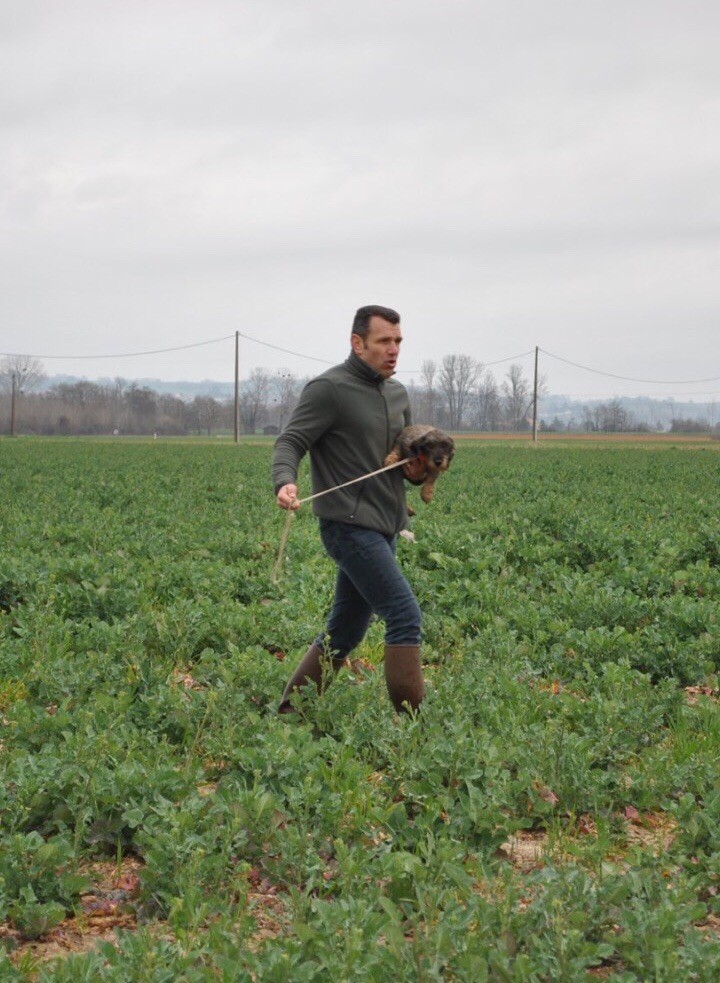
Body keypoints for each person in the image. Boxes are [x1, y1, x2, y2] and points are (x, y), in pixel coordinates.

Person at [272, 304, 427, 715]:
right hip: (348, 526)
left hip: (386, 525)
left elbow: (402, 460)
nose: (393, 350)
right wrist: (284, 480)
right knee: (404, 614)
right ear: (357, 343)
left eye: (398, 341)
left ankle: (289, 713)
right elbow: (290, 441)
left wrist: (419, 469)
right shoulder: (328, 389)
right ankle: (413, 730)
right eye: (383, 341)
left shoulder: (398, 394)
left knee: (346, 630)